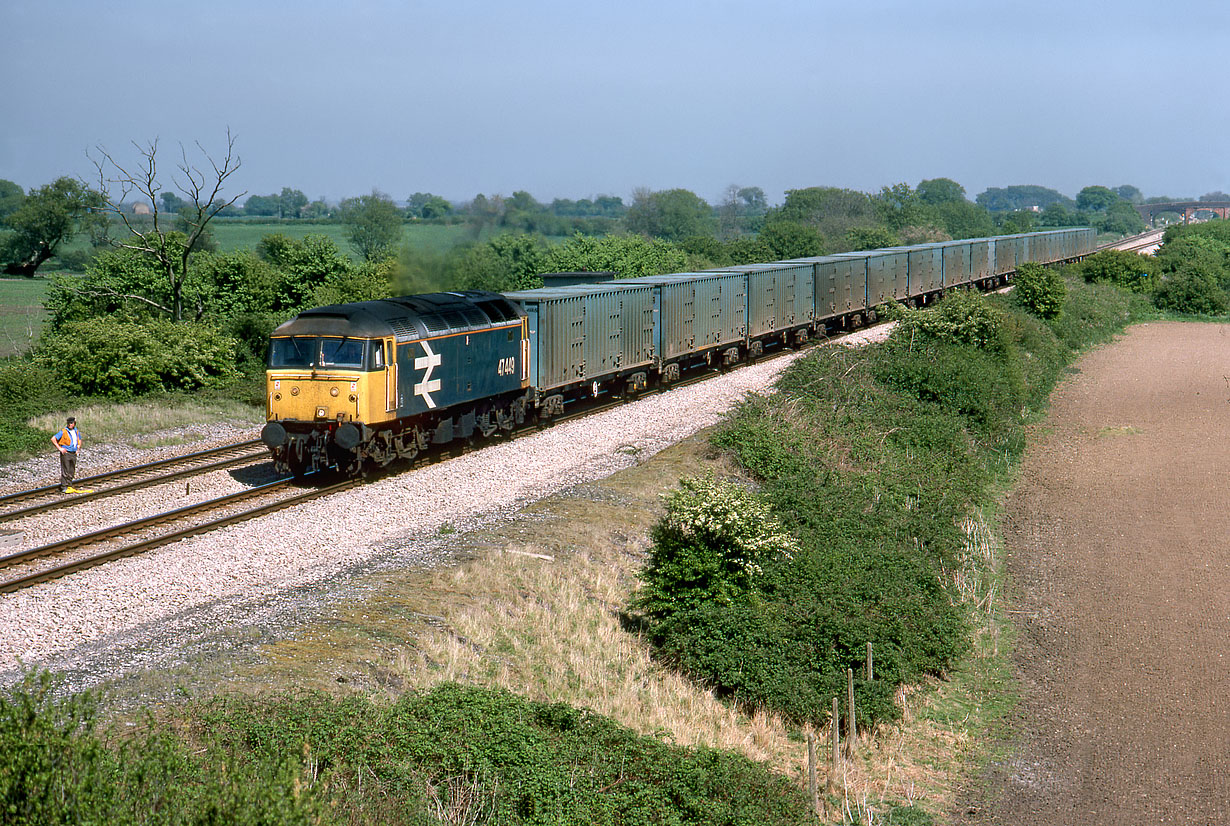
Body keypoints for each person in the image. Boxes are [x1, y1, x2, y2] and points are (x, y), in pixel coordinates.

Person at [51, 416, 81, 493]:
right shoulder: (63, 431)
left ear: (74, 424)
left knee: (72, 470)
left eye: (71, 423)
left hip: (73, 453)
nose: (70, 424)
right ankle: (64, 486)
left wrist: (78, 448)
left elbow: (79, 440)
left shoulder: (76, 431)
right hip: (66, 453)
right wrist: (60, 448)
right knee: (65, 470)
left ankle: (69, 485)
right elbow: (53, 439)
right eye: (69, 423)